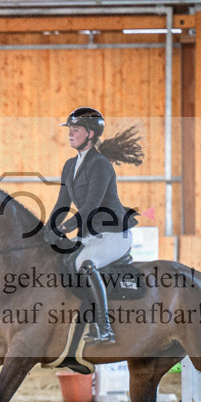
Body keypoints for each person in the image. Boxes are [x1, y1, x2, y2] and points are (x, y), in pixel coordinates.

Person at [42, 107, 143, 345]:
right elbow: (61, 203)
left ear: (89, 134)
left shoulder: (100, 164)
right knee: (59, 259)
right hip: (91, 236)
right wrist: (45, 230)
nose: (70, 134)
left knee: (85, 264)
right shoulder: (69, 165)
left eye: (75, 130)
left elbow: (91, 206)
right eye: (70, 130)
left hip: (114, 234)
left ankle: (104, 327)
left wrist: (66, 227)